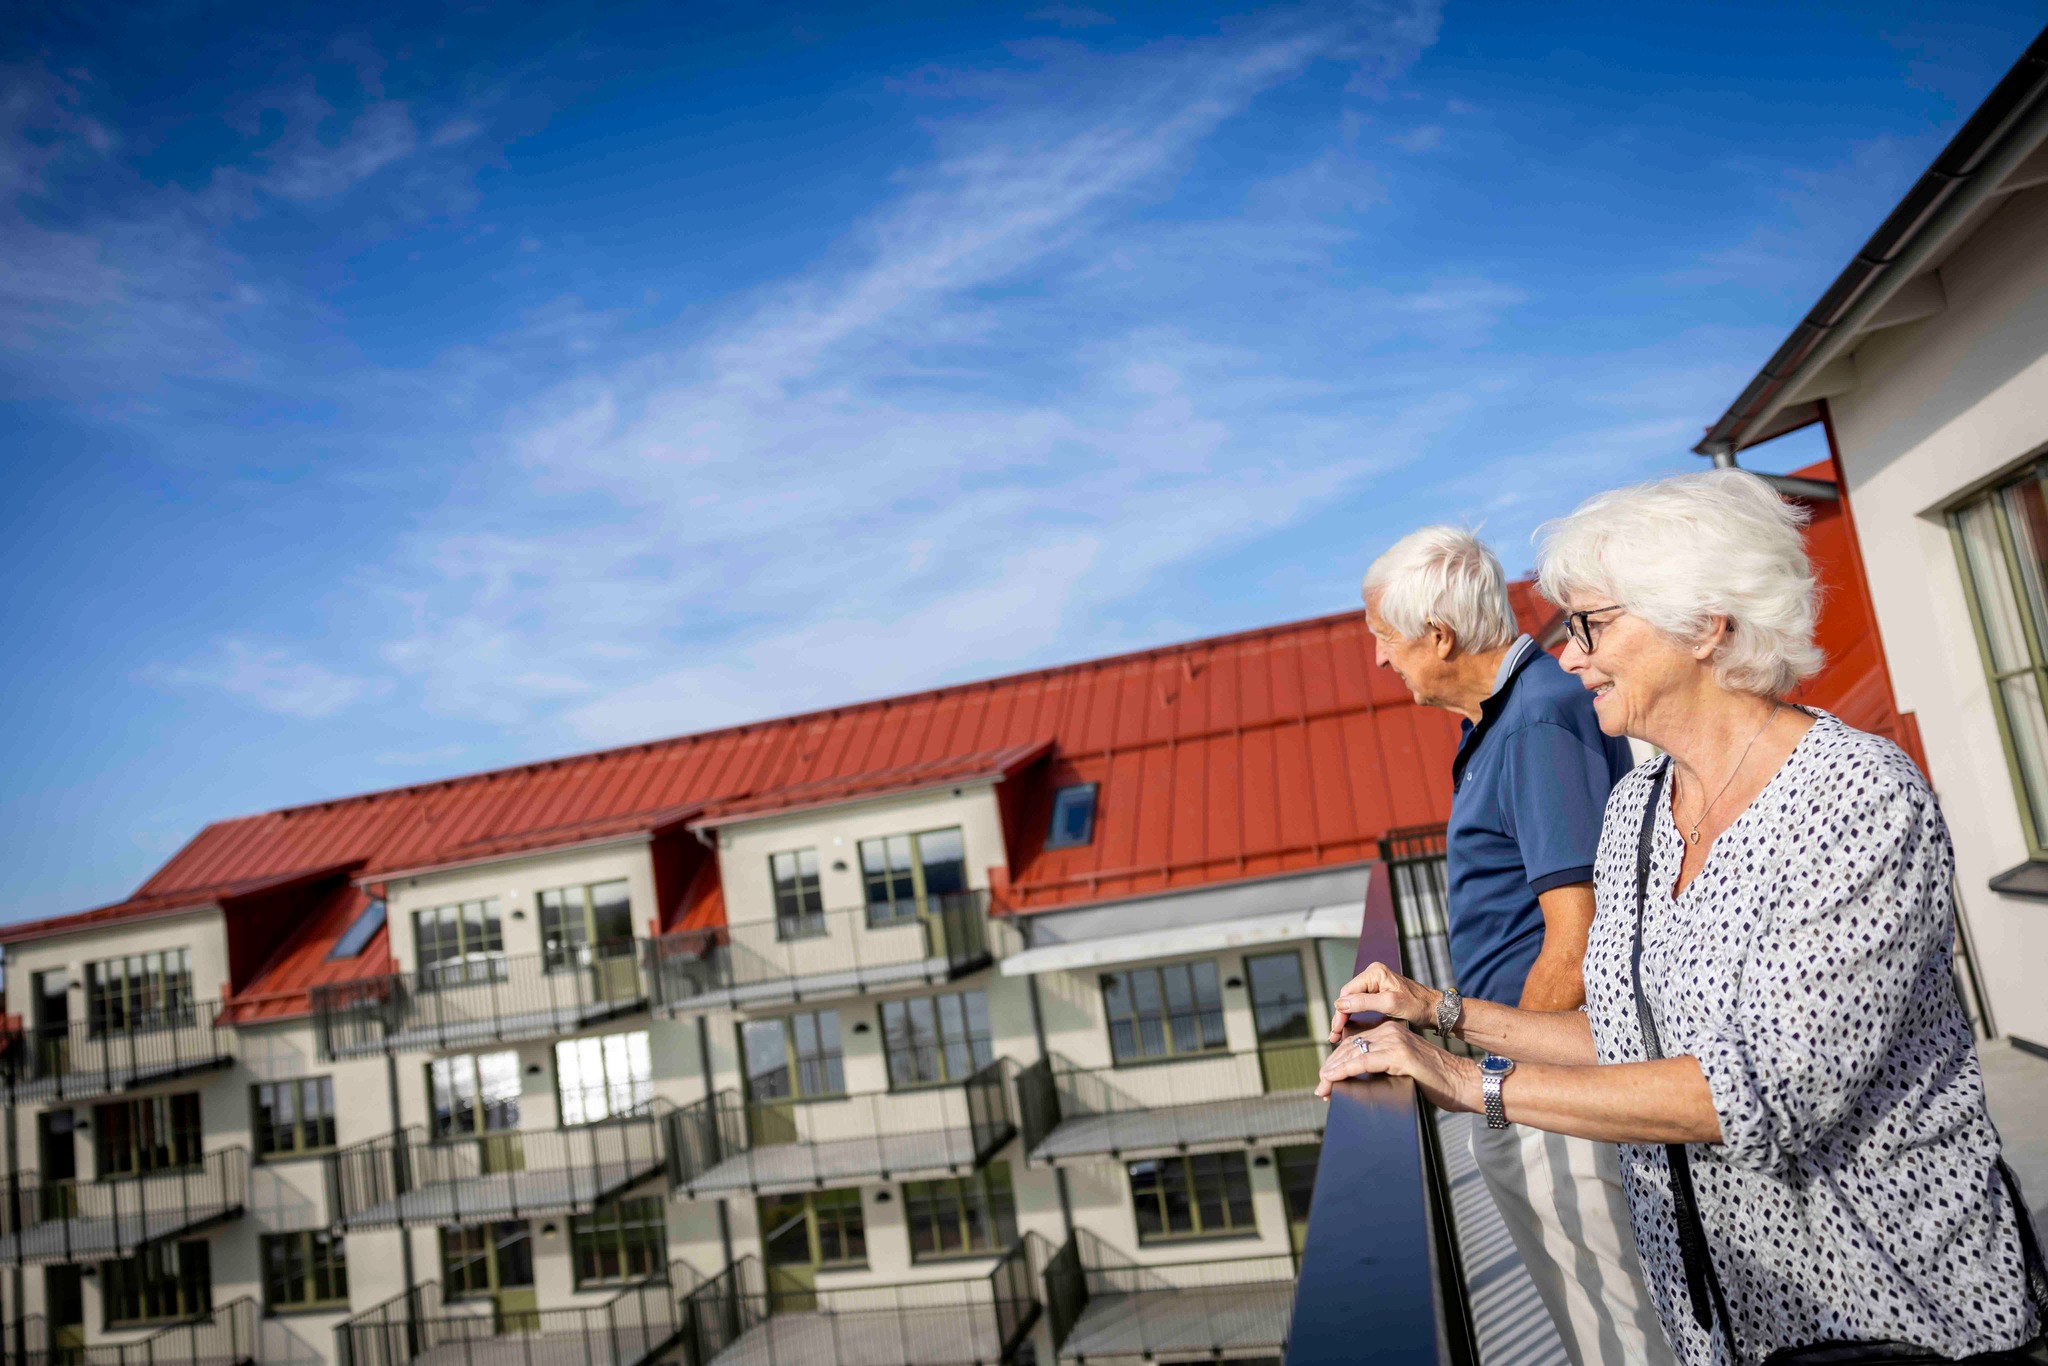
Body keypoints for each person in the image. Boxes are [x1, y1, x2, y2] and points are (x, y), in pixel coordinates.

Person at [1324, 469, 2042, 1363]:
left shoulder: (1856, 798)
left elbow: (1760, 1095)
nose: (1572, 656)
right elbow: (1628, 1035)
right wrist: (1437, 1013)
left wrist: (1473, 1083)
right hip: (1727, 1322)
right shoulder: (1641, 811)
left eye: (1593, 624)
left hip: (1894, 1319)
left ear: (1708, 624)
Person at [1361, 526, 1667, 1366]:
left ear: (1439, 637)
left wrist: (1510, 1082)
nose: (1382, 663)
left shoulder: (1533, 719)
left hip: (1551, 1081)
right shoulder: (1516, 713)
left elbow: (1577, 933)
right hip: (1538, 1067)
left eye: (1384, 641)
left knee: (1617, 1335)